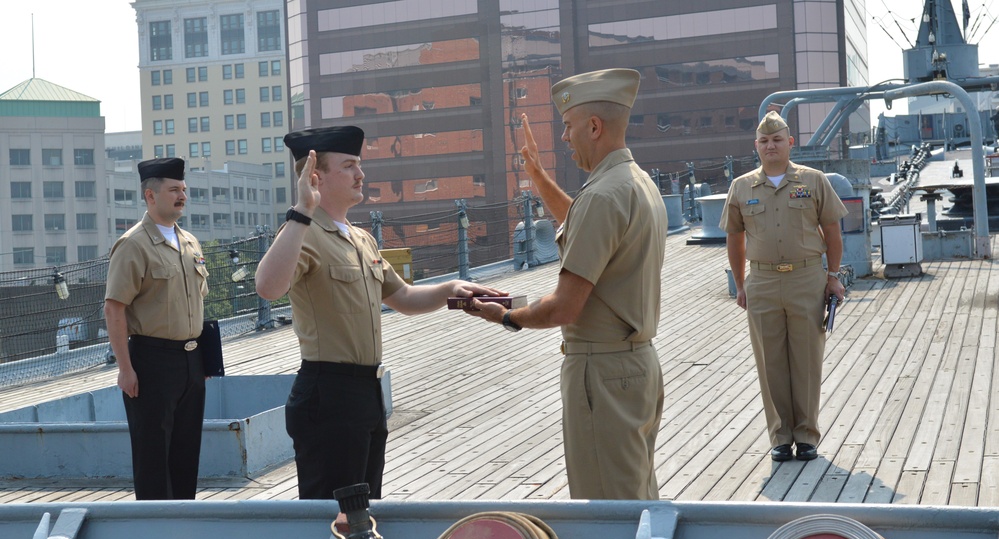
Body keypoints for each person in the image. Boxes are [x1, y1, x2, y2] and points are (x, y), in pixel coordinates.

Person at [254, 126, 503, 500]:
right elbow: (268, 287)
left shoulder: (360, 238)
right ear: (316, 176)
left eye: (359, 165)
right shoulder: (302, 232)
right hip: (328, 393)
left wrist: (452, 290)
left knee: (366, 511)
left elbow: (402, 296)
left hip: (367, 392)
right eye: (350, 165)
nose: (361, 175)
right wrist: (303, 210)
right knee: (333, 516)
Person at [464, 69, 668, 500]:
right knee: (638, 497)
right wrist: (537, 176)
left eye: (568, 126)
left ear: (593, 127)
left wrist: (506, 316)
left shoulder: (602, 196)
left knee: (608, 509)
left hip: (602, 373)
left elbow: (564, 308)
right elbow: (587, 223)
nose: (563, 137)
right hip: (637, 367)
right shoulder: (635, 184)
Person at [719, 111, 848, 463]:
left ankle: (806, 435)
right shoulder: (742, 187)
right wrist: (740, 283)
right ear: (756, 146)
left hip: (807, 278)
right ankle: (780, 436)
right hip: (761, 280)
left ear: (790, 143)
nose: (770, 146)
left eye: (777, 140)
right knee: (770, 361)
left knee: (806, 359)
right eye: (764, 141)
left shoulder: (814, 180)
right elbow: (734, 237)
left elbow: (833, 231)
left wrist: (832, 276)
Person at [104, 157, 209, 500]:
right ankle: (154, 532)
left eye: (184, 190)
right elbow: (114, 307)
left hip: (191, 361)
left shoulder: (190, 242)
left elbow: (196, 302)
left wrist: (203, 363)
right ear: (150, 196)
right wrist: (125, 369)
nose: (182, 196)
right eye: (173, 190)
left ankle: (183, 525)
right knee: (153, 455)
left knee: (186, 449)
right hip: (151, 360)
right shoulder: (133, 245)